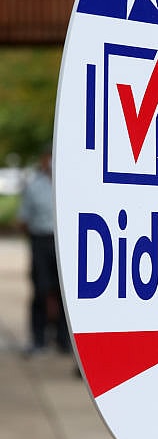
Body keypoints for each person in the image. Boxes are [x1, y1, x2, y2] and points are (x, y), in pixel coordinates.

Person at [17, 144, 70, 357]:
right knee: (40, 290)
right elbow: (24, 219)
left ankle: (64, 339)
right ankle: (38, 339)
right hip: (40, 241)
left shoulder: (68, 181)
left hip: (62, 243)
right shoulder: (34, 186)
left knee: (64, 293)